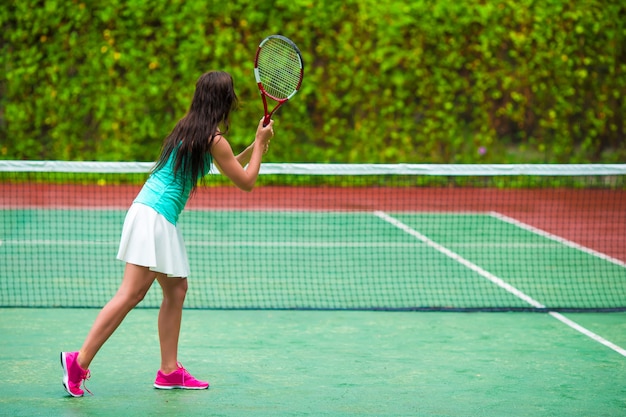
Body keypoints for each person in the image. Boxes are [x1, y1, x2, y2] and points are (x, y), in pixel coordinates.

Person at [60, 71, 274, 397]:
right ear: (225, 101)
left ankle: (170, 371)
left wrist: (252, 147)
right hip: (154, 217)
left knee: (176, 290)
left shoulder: (188, 128)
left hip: (152, 212)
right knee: (131, 294)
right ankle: (79, 361)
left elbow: (227, 164)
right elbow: (246, 182)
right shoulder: (213, 139)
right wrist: (260, 145)